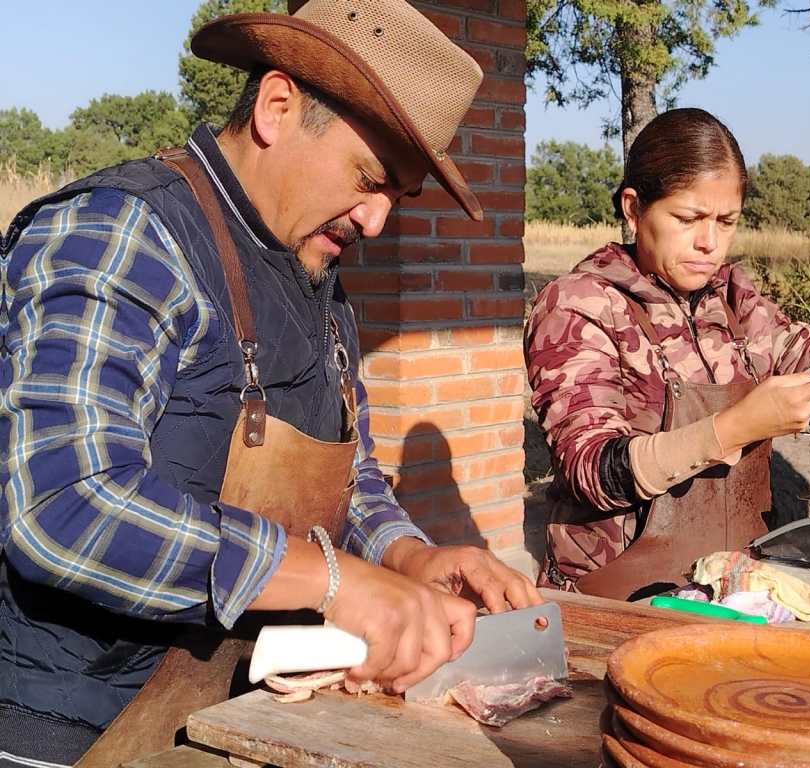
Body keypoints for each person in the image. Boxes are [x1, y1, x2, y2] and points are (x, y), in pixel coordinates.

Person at [0, 1, 540, 765]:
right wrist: (330, 580)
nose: (378, 220)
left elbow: (348, 479)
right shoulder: (125, 235)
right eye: (370, 177)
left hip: (231, 711)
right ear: (277, 106)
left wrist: (405, 558)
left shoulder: (317, 281)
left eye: (400, 196)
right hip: (67, 731)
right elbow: (63, 507)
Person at [524, 108, 810, 599]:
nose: (708, 243)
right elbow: (590, 470)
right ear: (633, 208)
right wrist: (735, 428)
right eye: (688, 219)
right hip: (619, 596)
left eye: (726, 222)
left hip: (731, 586)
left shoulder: (733, 299)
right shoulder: (582, 303)